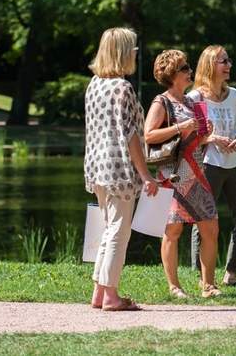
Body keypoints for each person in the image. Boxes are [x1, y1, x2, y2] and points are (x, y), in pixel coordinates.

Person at [84, 27, 159, 312]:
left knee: (108, 228)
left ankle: (99, 292)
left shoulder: (94, 85)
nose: (137, 53)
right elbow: (130, 137)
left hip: (97, 165)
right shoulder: (122, 88)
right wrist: (146, 176)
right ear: (123, 52)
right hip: (119, 169)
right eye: (133, 48)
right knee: (118, 231)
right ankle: (111, 296)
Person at [144, 49, 221, 299]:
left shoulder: (192, 102)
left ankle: (208, 284)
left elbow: (198, 140)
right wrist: (180, 126)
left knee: (211, 228)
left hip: (197, 172)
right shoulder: (161, 102)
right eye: (185, 68)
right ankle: (174, 286)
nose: (190, 71)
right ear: (172, 75)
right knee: (173, 231)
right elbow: (148, 135)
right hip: (172, 175)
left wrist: (206, 133)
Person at [188, 45, 236, 288]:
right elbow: (189, 136)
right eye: (223, 61)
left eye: (228, 60)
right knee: (203, 220)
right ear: (209, 65)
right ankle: (202, 277)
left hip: (233, 164)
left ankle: (231, 273)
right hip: (208, 164)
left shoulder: (234, 94)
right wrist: (212, 139)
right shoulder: (195, 98)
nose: (228, 65)